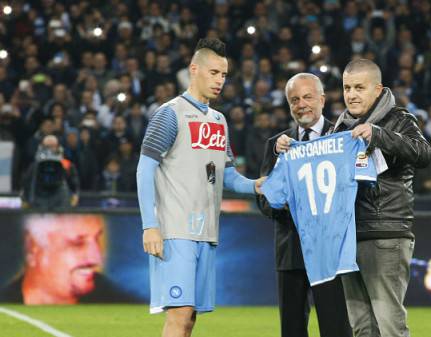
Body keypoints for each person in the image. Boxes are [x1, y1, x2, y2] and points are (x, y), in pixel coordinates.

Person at [276, 59, 431, 337]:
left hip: (385, 232)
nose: (352, 94)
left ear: (377, 89)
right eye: (347, 88)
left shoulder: (399, 118)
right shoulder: (341, 128)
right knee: (361, 326)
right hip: (348, 237)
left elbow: (423, 153)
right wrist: (289, 149)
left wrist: (379, 135)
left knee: (389, 325)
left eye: (359, 87)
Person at [136, 38, 265, 337]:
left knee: (190, 317)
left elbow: (227, 176)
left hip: (206, 232)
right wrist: (149, 226)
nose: (220, 80)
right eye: (214, 72)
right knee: (179, 315)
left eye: (224, 75)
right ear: (194, 69)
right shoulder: (170, 113)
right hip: (175, 229)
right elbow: (145, 168)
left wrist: (257, 186)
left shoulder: (219, 121)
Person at [257, 73, 352, 337]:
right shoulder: (276, 146)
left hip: (331, 252)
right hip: (291, 252)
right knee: (292, 330)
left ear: (322, 99)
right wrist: (295, 206)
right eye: (294, 99)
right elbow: (264, 200)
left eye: (308, 97)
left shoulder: (343, 137)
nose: (302, 104)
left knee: (336, 329)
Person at [0, 214, 136, 304]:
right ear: (33, 248)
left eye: (97, 240)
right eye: (77, 243)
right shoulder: (6, 302)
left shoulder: (114, 298)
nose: (96, 259)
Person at [21, 134, 80, 209]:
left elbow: (74, 184)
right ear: (42, 147)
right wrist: (25, 199)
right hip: (39, 202)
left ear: (58, 147)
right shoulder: (35, 165)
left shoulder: (66, 164)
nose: (50, 149)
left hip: (61, 202)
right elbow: (27, 183)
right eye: (47, 147)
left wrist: (75, 195)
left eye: (52, 146)